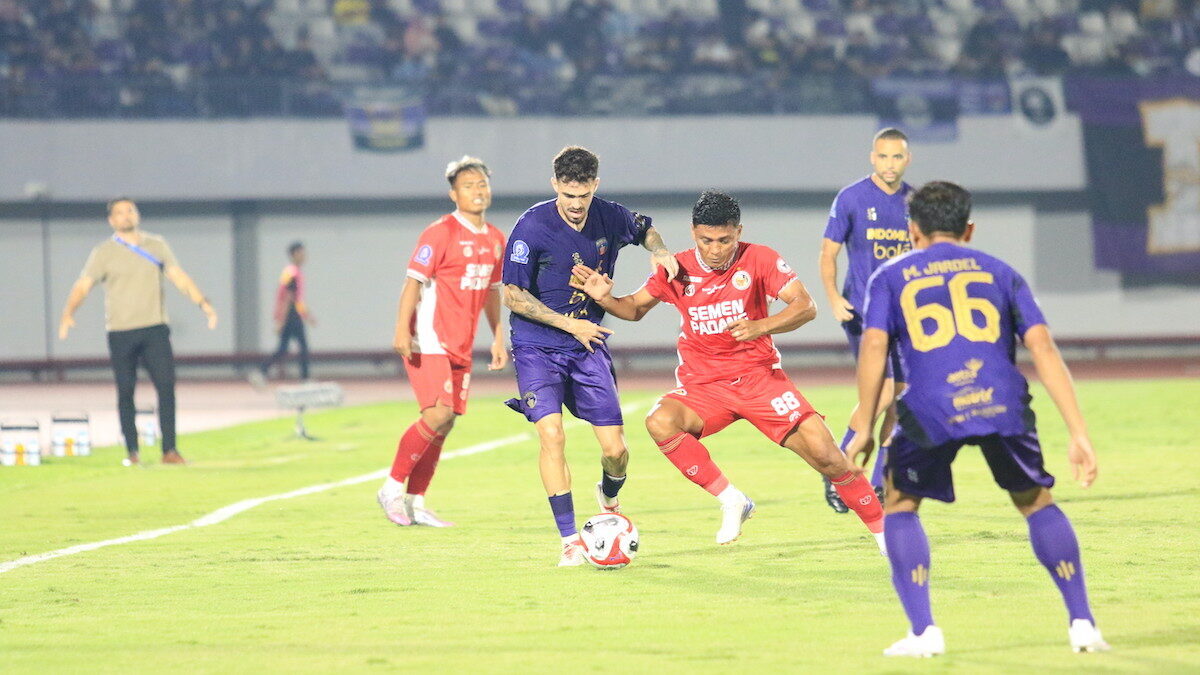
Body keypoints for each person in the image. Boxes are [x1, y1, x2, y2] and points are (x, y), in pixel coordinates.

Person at [846, 181, 1107, 657]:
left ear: (912, 229)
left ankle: (924, 632)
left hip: (930, 406)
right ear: (968, 229)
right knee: (1036, 502)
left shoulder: (889, 275)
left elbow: (874, 346)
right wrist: (1079, 432)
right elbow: (1043, 347)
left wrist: (864, 424)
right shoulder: (1001, 271)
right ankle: (1083, 624)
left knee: (901, 505)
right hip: (1001, 400)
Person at [574, 190, 884, 548]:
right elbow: (634, 309)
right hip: (704, 386)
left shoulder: (760, 259)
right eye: (707, 240)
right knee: (659, 420)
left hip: (759, 380)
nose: (716, 249)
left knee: (830, 458)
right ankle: (732, 499)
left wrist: (761, 326)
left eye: (725, 240)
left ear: (739, 232)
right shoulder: (677, 267)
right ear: (694, 233)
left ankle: (883, 532)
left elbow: (805, 306)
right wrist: (604, 298)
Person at [501, 145, 679, 566]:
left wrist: (660, 250)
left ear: (595, 186)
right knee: (552, 435)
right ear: (555, 187)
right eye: (568, 196)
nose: (577, 206)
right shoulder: (530, 228)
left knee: (615, 450)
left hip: (587, 347)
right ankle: (568, 541)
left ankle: (610, 499)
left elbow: (646, 230)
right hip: (537, 347)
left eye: (583, 196)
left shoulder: (610, 215)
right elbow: (512, 294)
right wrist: (569, 324)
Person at [376, 156, 508, 528]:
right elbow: (412, 283)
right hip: (429, 340)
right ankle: (390, 489)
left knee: (446, 423)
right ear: (454, 194)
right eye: (468, 186)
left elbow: (492, 292)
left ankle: (416, 502)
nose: (477, 191)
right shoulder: (440, 233)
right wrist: (402, 329)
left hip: (461, 344)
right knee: (438, 413)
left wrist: (498, 337)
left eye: (482, 184)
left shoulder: (496, 239)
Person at [58, 197, 218, 466]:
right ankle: (132, 451)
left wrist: (203, 303)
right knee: (125, 390)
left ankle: (170, 450)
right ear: (111, 220)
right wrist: (68, 313)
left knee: (166, 387)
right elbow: (83, 285)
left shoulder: (156, 245)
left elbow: (178, 275)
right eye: (119, 213)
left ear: (137, 215)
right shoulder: (104, 252)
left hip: (155, 328)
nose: (125, 216)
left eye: (129, 211)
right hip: (121, 331)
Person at [819, 127, 914, 512]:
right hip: (864, 313)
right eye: (883, 156)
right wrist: (834, 298)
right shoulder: (852, 198)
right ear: (872, 158)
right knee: (880, 393)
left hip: (906, 318)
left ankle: (876, 481)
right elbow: (828, 254)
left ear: (907, 159)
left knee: (900, 400)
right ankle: (838, 466)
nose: (890, 164)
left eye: (897, 157)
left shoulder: (916, 202)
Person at [253, 241, 314, 383]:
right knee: (303, 348)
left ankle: (262, 371)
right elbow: (288, 297)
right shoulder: (292, 273)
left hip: (291, 315)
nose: (304, 256)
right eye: (301, 253)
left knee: (283, 349)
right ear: (294, 255)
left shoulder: (290, 272)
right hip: (291, 316)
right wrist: (281, 319)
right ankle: (305, 380)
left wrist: (306, 315)